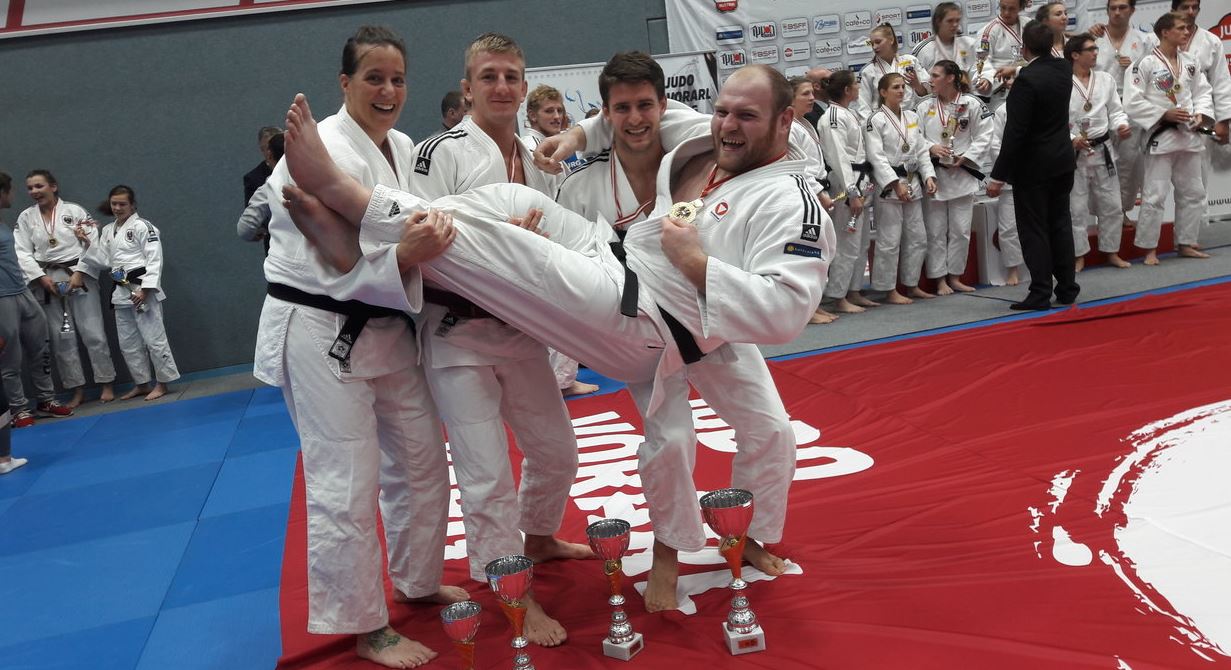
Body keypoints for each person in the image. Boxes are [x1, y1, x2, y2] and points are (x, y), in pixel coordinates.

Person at [280, 64, 830, 613]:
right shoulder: (697, 134)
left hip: (657, 316)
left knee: (763, 429)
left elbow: (785, 311)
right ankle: (370, 244)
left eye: (745, 115)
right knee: (504, 201)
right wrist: (576, 136)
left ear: (784, 120)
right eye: (723, 110)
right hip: (615, 257)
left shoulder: (788, 198)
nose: (727, 124)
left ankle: (346, 194)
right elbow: (618, 118)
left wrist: (696, 263)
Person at [555, 53, 814, 612]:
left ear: (663, 106)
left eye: (645, 105)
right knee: (671, 440)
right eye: (621, 109)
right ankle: (668, 554)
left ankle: (749, 535)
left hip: (711, 314)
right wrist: (579, 135)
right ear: (605, 113)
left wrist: (582, 129)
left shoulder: (694, 142)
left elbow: (754, 129)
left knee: (772, 430)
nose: (635, 119)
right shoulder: (581, 186)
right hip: (640, 327)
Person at [253, 26, 464, 670]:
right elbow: (339, 257)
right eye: (374, 78)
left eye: (397, 79)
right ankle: (366, 627)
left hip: (386, 323)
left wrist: (407, 253)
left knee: (423, 461)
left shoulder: (402, 147)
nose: (388, 90)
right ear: (345, 83)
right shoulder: (311, 151)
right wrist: (403, 254)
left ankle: (417, 581)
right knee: (345, 480)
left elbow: (410, 237)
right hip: (320, 327)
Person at [408, 33, 588, 646]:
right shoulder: (439, 152)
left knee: (557, 449)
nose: (502, 87)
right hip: (457, 333)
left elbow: (560, 238)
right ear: (467, 88)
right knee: (486, 475)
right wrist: (498, 240)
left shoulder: (540, 156)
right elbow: (420, 238)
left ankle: (537, 536)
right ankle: (513, 591)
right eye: (489, 76)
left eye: (512, 76)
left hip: (521, 327)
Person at [988, 21, 1079, 310]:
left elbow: (1015, 134)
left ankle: (1040, 292)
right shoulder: (1064, 69)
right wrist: (1018, 70)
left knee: (1034, 229)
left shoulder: (1026, 83)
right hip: (1063, 161)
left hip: (1034, 168)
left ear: (1024, 48)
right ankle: (1067, 288)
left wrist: (998, 176)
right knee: (1061, 225)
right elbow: (1042, 66)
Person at [13, 170, 117, 407]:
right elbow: (21, 252)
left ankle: (106, 382)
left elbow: (92, 241)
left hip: (80, 276)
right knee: (62, 339)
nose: (34, 191)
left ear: (53, 186)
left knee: (94, 333)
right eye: (30, 188)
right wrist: (40, 277)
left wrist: (80, 272)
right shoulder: (26, 217)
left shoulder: (75, 211)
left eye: (39, 186)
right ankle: (76, 389)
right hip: (48, 280)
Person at [1122, 12, 1214, 265]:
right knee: (1155, 195)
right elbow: (1132, 101)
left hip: (1189, 136)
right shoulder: (1144, 64)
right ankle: (1149, 249)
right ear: (1165, 32)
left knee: (1193, 192)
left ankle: (1186, 242)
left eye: (1187, 28)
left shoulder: (1190, 62)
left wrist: (1201, 114)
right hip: (1161, 137)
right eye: (1181, 28)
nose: (1186, 32)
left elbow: (1203, 92)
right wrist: (1163, 113)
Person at [78, 186, 180, 400]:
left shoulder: (144, 226)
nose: (117, 208)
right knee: (128, 343)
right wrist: (87, 243)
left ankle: (162, 383)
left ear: (132, 205)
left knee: (154, 339)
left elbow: (155, 258)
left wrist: (146, 289)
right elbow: (104, 261)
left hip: (141, 288)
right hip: (120, 291)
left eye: (122, 204)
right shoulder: (108, 230)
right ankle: (141, 383)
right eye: (114, 204)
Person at [917, 60, 993, 294]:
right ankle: (940, 280)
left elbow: (985, 134)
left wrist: (966, 157)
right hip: (935, 175)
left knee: (960, 230)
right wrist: (931, 147)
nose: (930, 80)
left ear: (950, 78)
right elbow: (915, 137)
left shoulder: (972, 104)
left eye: (935, 75)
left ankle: (956, 276)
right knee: (936, 231)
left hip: (962, 174)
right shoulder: (924, 107)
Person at [0, 171, 67, 429]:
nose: (13, 195)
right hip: (3, 299)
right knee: (10, 357)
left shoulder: (3, 222)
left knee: (41, 347)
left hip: (23, 292)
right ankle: (18, 409)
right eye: (11, 190)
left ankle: (46, 400)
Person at [866, 73, 938, 305]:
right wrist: (895, 184)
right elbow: (876, 157)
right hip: (890, 187)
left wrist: (928, 176)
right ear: (883, 92)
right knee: (889, 241)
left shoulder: (911, 116)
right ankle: (888, 289)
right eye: (895, 87)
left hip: (913, 181)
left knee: (918, 238)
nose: (901, 91)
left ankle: (912, 284)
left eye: (902, 87)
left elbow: (921, 151)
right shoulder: (875, 120)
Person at [1066, 34, 1133, 271]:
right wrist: (1072, 139)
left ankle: (1111, 251)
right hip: (1076, 153)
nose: (1096, 52)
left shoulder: (1105, 79)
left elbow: (1115, 110)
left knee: (1112, 204)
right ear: (1075, 55)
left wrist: (1121, 124)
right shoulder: (1062, 83)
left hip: (1103, 149)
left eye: (1096, 48)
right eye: (1090, 49)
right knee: (1076, 208)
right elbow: (1055, 119)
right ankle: (1078, 255)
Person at [819, 71, 879, 313]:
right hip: (846, 183)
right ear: (846, 90)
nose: (858, 87)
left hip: (860, 179)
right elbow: (838, 157)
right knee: (846, 243)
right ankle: (838, 295)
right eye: (855, 84)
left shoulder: (848, 113)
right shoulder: (832, 117)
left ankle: (853, 290)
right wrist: (851, 192)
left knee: (861, 243)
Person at [1094, 0, 1158, 221]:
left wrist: (1134, 67)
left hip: (1131, 107)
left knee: (1129, 163)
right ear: (1107, 11)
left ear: (1132, 10)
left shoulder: (1145, 40)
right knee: (1100, 163)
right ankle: (1105, 214)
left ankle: (1120, 211)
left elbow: (1156, 74)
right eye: (1113, 8)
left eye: (1122, 8)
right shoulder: (1094, 39)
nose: (1117, 12)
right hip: (1100, 108)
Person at [985, 102, 1026, 285]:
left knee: (1042, 224)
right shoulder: (1003, 111)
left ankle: (1046, 266)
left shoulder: (1040, 104)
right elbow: (995, 145)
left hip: (1037, 175)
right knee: (1008, 227)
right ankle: (1013, 269)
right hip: (1010, 177)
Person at [859, 24, 931, 116]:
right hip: (883, 121)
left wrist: (916, 85)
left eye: (878, 42)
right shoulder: (868, 71)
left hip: (912, 118)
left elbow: (928, 96)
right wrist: (873, 123)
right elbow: (864, 107)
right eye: (872, 43)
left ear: (891, 40)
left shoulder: (910, 61)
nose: (874, 47)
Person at [974, 0, 1029, 107]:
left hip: (1027, 86)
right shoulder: (988, 32)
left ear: (1021, 7)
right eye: (1003, 7)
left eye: (1011, 9)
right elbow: (981, 60)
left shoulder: (1029, 24)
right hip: (1002, 94)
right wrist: (986, 78)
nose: (1006, 13)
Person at [237, 133, 285, 248]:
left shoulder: (271, 186)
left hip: (281, 249)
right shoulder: (314, 180)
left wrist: (254, 233)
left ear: (269, 154)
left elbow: (244, 229)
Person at [913, 3, 977, 75]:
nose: (955, 24)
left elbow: (977, 73)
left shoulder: (969, 44)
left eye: (957, 20)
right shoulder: (924, 50)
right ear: (938, 21)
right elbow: (915, 78)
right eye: (950, 21)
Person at [243, 126, 282, 206]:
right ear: (262, 149)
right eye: (268, 148)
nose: (271, 152)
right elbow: (253, 210)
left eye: (277, 148)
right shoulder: (253, 179)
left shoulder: (299, 170)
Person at [523, 84, 567, 149]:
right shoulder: (529, 147)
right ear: (533, 115)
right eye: (549, 111)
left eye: (559, 111)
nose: (557, 116)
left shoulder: (563, 144)